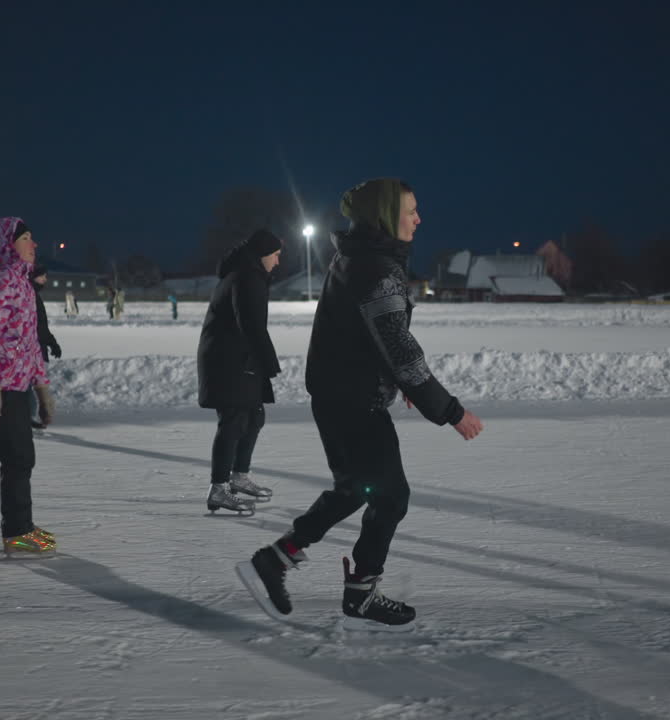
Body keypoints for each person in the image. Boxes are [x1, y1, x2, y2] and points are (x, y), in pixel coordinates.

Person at [237, 179, 483, 631]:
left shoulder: (362, 258)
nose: (419, 219)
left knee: (357, 488)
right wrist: (450, 411)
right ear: (388, 215)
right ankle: (356, 592)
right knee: (389, 497)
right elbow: (402, 349)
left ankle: (278, 561)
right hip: (353, 400)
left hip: (341, 394)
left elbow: (368, 337)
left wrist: (394, 379)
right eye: (411, 210)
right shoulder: (376, 268)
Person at [0, 217, 57, 556]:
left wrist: (42, 390)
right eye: (26, 239)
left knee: (22, 459)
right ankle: (17, 533)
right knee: (17, 460)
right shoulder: (2, 282)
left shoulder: (23, 284)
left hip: (16, 387)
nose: (33, 245)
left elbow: (31, 345)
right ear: (7, 244)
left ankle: (22, 528)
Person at [196, 230, 282, 514]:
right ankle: (218, 488)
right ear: (263, 254)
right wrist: (269, 362)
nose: (278, 261)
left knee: (254, 416)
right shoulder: (247, 277)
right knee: (233, 420)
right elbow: (251, 324)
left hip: (238, 358)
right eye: (276, 255)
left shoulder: (247, 274)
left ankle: (238, 476)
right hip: (228, 360)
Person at [28, 265, 62, 430]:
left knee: (33, 383)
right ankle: (28, 417)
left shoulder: (33, 295)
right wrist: (51, 343)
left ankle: (31, 416)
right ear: (34, 277)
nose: (45, 280)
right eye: (43, 276)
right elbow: (38, 326)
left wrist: (52, 343)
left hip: (36, 345)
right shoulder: (30, 295)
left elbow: (41, 325)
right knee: (31, 383)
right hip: (31, 347)